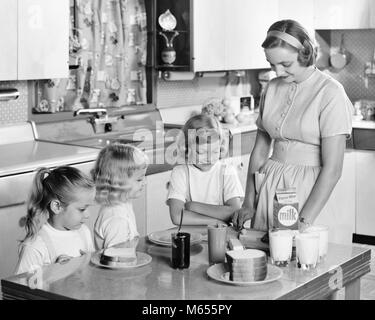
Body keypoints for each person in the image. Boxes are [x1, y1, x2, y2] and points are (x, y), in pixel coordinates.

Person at [232, 19, 353, 233]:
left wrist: (303, 222)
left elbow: (333, 170)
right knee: (267, 259)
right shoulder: (271, 88)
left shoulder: (330, 93)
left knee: (305, 260)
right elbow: (260, 151)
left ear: (304, 53)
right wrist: (249, 201)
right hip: (270, 184)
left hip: (311, 192)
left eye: (285, 65)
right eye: (272, 64)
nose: (277, 72)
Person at [15, 166, 96, 275]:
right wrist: (53, 272)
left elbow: (92, 275)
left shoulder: (84, 232)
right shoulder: (35, 246)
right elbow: (21, 288)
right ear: (57, 206)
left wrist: (87, 264)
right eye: (82, 209)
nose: (88, 215)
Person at [167, 114, 244, 226]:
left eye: (214, 151)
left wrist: (193, 206)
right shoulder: (180, 173)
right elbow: (177, 217)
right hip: (193, 235)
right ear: (186, 148)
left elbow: (235, 212)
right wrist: (215, 221)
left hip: (221, 234)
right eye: (201, 152)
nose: (209, 158)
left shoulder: (227, 171)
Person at [92, 143, 148, 250]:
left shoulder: (123, 204)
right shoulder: (117, 219)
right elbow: (116, 260)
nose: (145, 182)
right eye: (139, 179)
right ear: (118, 182)